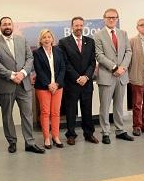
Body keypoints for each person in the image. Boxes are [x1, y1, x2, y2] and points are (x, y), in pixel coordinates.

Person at [0, 17, 45, 154]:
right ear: (0, 27)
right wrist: (12, 75)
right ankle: (12, 142)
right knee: (7, 115)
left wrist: (23, 73)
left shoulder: (22, 40)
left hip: (24, 84)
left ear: (12, 26)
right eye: (4, 24)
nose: (7, 26)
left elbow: (30, 58)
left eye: (9, 24)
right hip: (5, 85)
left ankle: (30, 143)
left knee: (27, 114)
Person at [94, 8, 134, 144]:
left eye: (114, 17)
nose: (112, 19)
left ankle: (120, 130)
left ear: (117, 19)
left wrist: (122, 68)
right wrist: (114, 67)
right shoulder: (98, 35)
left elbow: (128, 52)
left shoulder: (123, 33)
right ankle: (105, 132)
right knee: (105, 106)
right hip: (107, 76)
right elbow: (99, 55)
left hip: (122, 76)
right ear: (104, 19)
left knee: (118, 105)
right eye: (109, 17)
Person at [58, 17, 99, 145]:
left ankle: (89, 134)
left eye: (81, 25)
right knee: (71, 110)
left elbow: (92, 62)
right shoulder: (64, 42)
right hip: (72, 82)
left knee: (87, 108)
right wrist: (77, 77)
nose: (79, 28)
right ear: (72, 27)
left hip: (86, 82)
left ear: (83, 26)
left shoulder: (90, 42)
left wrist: (86, 77)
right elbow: (65, 63)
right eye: (76, 25)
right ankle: (71, 135)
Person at [32, 29, 66, 149]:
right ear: (41, 40)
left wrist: (56, 84)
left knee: (56, 112)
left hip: (58, 86)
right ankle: (47, 138)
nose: (47, 39)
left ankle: (55, 136)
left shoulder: (59, 51)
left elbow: (63, 68)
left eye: (49, 37)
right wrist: (48, 84)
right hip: (43, 87)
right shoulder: (37, 53)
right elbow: (39, 70)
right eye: (44, 37)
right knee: (45, 112)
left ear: (52, 39)